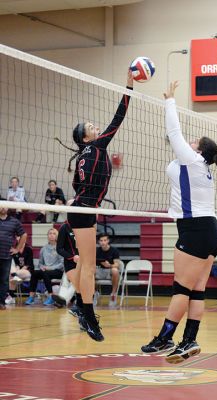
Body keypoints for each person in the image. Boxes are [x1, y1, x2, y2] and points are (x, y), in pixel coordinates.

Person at [141, 81, 217, 363]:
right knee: (197, 289)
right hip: (209, 231)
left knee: (181, 289)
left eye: (194, 141)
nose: (189, 142)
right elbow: (174, 142)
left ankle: (164, 338)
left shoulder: (192, 161)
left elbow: (174, 132)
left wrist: (170, 100)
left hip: (195, 230)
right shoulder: (198, 166)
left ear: (198, 151)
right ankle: (189, 341)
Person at [59, 70, 133, 342]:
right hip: (84, 211)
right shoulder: (99, 146)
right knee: (88, 267)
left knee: (86, 266)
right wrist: (129, 88)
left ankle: (80, 305)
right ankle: (87, 316)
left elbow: (79, 188)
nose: (95, 127)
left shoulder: (82, 155)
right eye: (90, 126)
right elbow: (119, 117)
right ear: (86, 138)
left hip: (81, 210)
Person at [25, 228, 64, 306]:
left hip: (58, 271)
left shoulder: (60, 248)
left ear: (57, 236)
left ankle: (51, 297)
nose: (51, 235)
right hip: (45, 271)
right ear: (47, 236)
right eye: (50, 233)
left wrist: (49, 268)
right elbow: (40, 263)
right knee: (35, 273)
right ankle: (31, 296)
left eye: (54, 233)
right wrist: (42, 266)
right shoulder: (43, 249)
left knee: (45, 273)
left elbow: (62, 264)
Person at [0, 208, 27, 310]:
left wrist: (17, 249)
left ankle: (1, 302)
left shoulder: (14, 221)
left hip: (6, 256)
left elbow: (23, 234)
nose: (3, 208)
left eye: (5, 206)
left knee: (4, 280)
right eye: (1, 206)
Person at [53, 221, 82, 314]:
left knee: (78, 283)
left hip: (84, 261)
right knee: (70, 281)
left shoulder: (85, 226)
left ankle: (65, 300)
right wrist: (72, 257)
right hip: (71, 261)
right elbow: (59, 249)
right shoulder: (64, 227)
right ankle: (64, 299)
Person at [5, 238, 34, 305]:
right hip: (16, 271)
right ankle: (11, 297)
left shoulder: (28, 249)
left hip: (27, 271)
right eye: (18, 237)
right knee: (12, 276)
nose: (20, 238)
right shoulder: (14, 250)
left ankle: (11, 296)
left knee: (12, 276)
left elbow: (28, 264)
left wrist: (17, 271)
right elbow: (16, 264)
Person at [96, 233, 121, 307]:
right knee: (90, 270)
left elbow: (117, 264)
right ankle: (94, 293)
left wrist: (109, 265)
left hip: (109, 272)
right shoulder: (97, 251)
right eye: (101, 240)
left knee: (115, 270)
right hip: (99, 270)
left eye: (105, 240)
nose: (103, 242)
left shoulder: (114, 250)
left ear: (108, 241)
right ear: (99, 242)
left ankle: (113, 294)